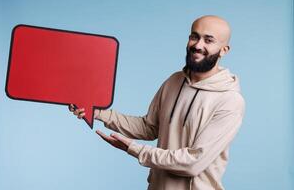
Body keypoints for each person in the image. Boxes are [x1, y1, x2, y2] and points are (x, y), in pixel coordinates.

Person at [69, 15, 245, 190]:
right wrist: (97, 112)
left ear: (224, 50)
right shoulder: (174, 81)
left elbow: (194, 163)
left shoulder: (229, 101)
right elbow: (149, 127)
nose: (198, 45)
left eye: (208, 40)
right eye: (194, 36)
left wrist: (137, 150)